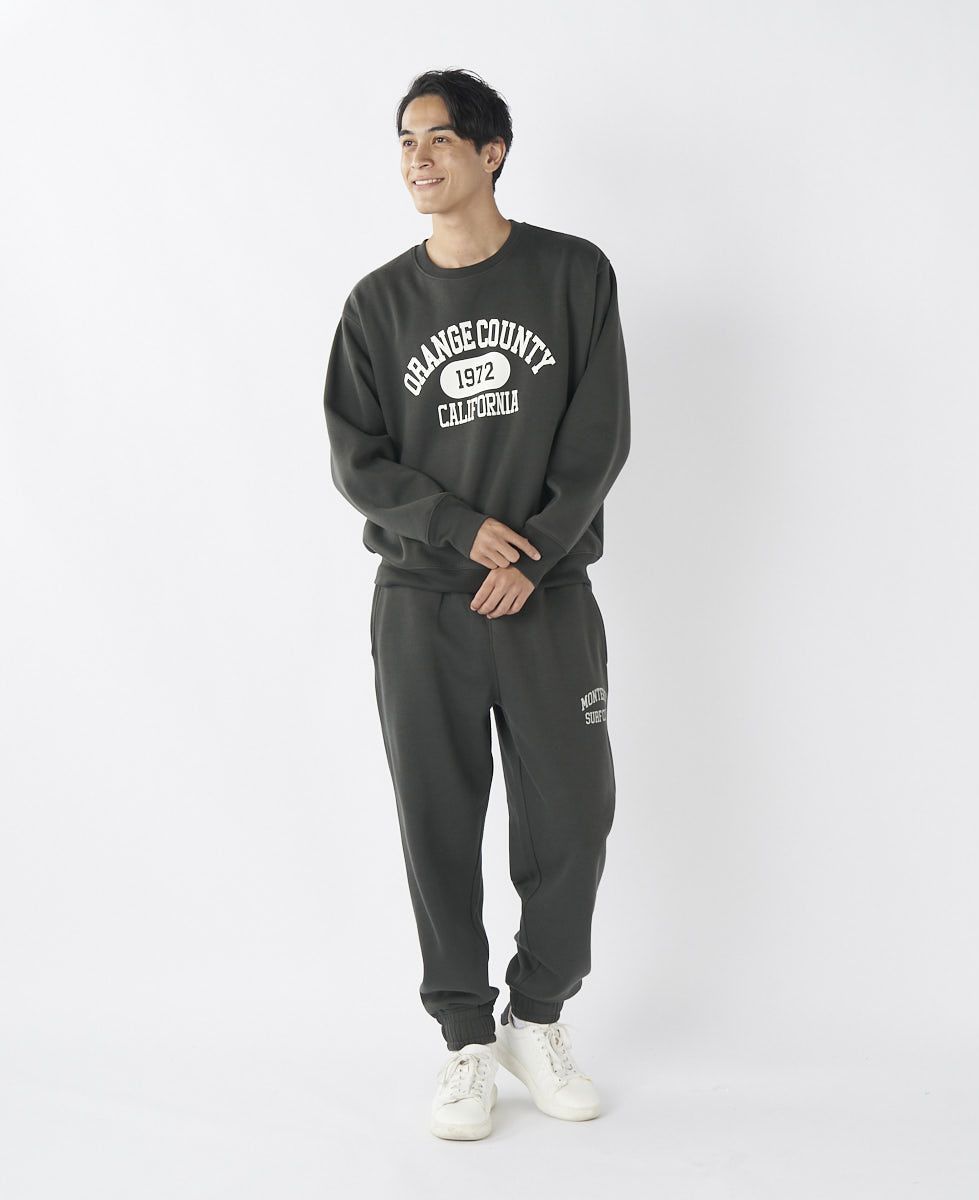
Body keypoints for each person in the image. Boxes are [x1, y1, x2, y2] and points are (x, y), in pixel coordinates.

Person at [322, 67, 630, 1140]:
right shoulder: (377, 306)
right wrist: (457, 528)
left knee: (575, 815)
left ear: (491, 151)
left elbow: (599, 435)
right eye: (405, 141)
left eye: (439, 139)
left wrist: (533, 553)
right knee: (438, 823)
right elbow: (357, 460)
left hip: (546, 601)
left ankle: (535, 1018)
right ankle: (464, 1040)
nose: (417, 158)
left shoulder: (573, 275)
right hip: (424, 604)